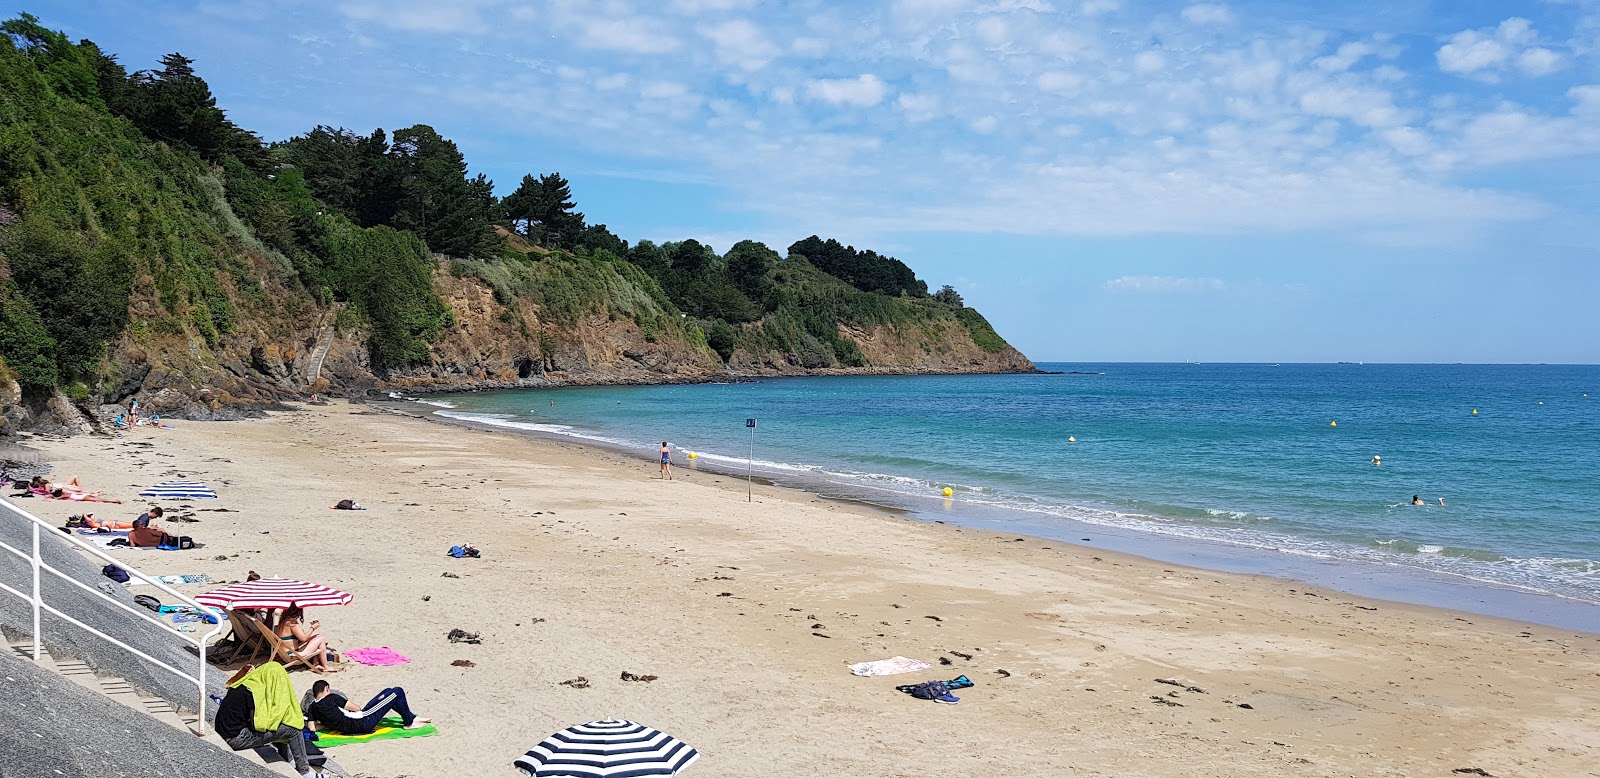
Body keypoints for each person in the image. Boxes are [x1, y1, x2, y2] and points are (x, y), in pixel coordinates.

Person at [215, 663, 330, 778]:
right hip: (235, 738)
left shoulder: (247, 685)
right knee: (293, 729)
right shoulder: (254, 693)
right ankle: (304, 771)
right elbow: (257, 724)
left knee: (280, 725)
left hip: (224, 732)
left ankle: (289, 759)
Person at [304, 679, 430, 734]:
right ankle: (409, 722)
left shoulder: (312, 708)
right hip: (364, 720)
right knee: (397, 691)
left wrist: (329, 722)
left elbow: (312, 728)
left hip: (358, 722)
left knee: (388, 692)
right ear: (327, 689)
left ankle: (411, 717)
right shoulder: (332, 698)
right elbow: (357, 708)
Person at [276, 605, 336, 673]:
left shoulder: (283, 620)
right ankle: (325, 666)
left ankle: (315, 664)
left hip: (285, 655)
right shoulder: (292, 622)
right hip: (293, 656)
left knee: (317, 636)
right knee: (321, 638)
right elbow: (303, 638)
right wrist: (313, 627)